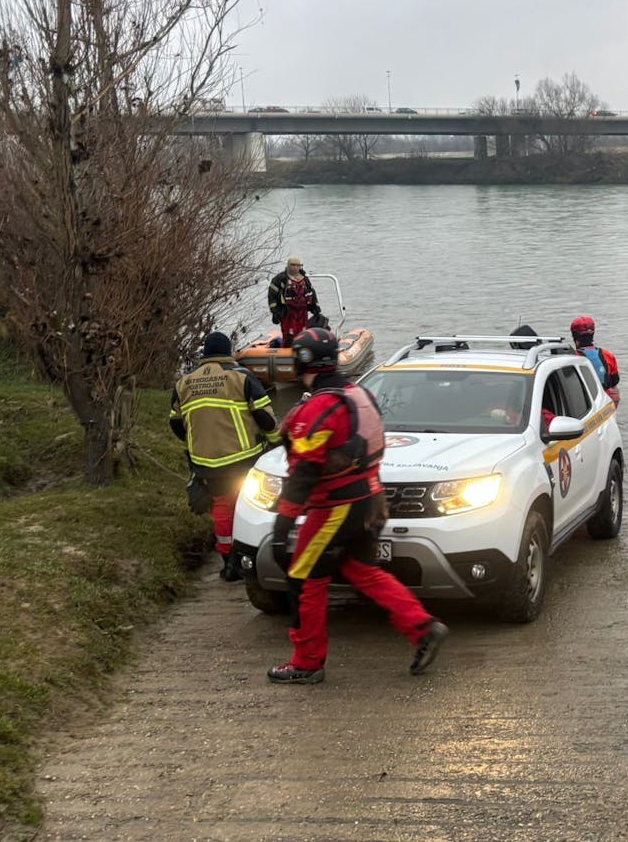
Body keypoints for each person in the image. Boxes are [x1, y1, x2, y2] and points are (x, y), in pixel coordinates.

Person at [267, 328, 449, 684]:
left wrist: (283, 524)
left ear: (302, 360)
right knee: (363, 572)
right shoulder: (359, 394)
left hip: (334, 508)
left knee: (305, 581)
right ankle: (422, 626)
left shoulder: (319, 406)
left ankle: (306, 662)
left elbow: (304, 470)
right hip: (369, 499)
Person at [169, 332, 279, 582]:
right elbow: (266, 417)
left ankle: (228, 562)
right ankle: (248, 558)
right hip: (244, 459)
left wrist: (194, 444)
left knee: (222, 508)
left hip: (206, 463)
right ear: (228, 352)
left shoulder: (184, 383)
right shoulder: (242, 378)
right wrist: (276, 442)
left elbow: (175, 423)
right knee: (250, 507)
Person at [267, 256, 321, 348]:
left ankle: (303, 351)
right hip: (287, 313)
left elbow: (311, 293)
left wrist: (315, 308)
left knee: (303, 333)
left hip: (302, 312)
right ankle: (287, 353)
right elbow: (272, 296)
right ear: (288, 265)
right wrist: (275, 311)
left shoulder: (305, 279)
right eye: (293, 265)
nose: (295, 267)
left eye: (298, 265)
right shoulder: (280, 279)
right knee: (289, 334)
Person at [569, 315, 620, 405]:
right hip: (606, 401)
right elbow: (615, 380)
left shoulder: (572, 358)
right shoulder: (608, 355)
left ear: (574, 336)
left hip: (586, 403)